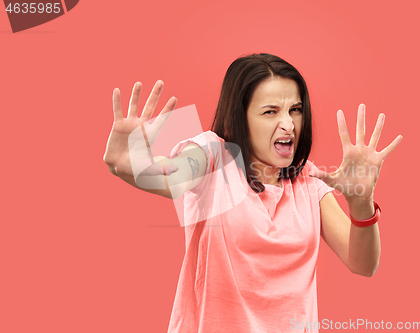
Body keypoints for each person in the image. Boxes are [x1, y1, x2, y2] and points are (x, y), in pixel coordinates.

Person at [103, 53, 403, 332]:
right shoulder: (212, 156)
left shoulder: (308, 179)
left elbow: (364, 265)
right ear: (240, 117)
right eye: (270, 112)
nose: (288, 124)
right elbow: (171, 177)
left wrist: (361, 204)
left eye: (295, 110)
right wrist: (133, 162)